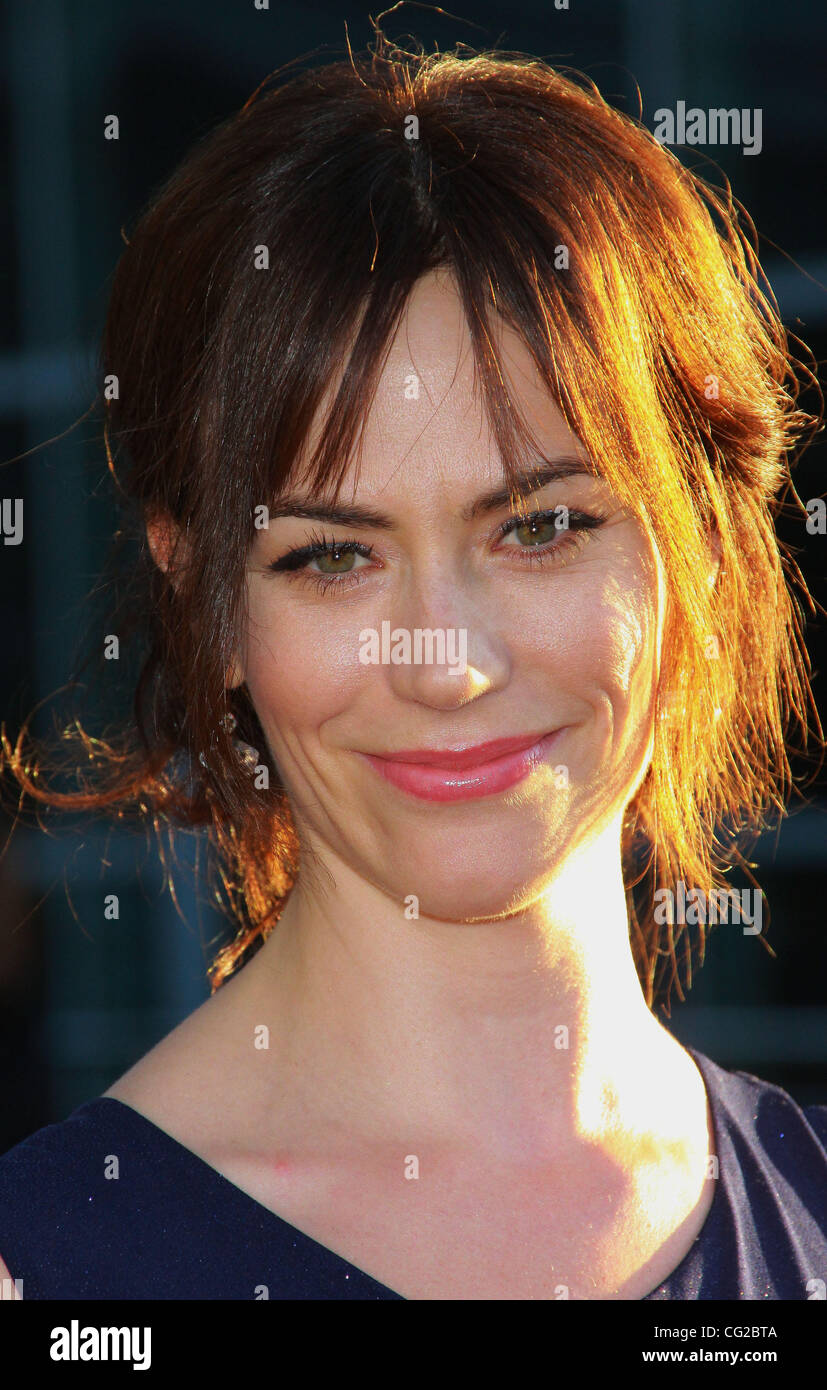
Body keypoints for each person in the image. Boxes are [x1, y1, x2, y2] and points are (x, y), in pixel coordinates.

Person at [0, 29, 825, 1301]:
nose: (444, 663)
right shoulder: (52, 1273)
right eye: (331, 557)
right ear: (208, 599)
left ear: (705, 544)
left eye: (540, 527)